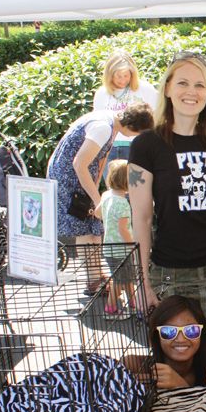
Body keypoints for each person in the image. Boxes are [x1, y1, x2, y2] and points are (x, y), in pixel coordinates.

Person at [129, 51, 206, 360]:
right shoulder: (146, 145)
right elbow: (141, 218)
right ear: (168, 88)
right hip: (170, 277)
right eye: (183, 82)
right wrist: (141, 280)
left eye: (201, 85)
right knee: (175, 369)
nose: (192, 92)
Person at [47, 103, 153, 294]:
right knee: (85, 229)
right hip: (68, 179)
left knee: (95, 228)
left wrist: (99, 188)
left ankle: (98, 273)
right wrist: (98, 201)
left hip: (82, 178)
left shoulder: (111, 122)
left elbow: (100, 158)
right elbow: (79, 164)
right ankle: (93, 280)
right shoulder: (103, 127)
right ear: (133, 127)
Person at [126, 295, 206, 388]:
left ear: (202, 333)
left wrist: (181, 387)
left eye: (191, 330)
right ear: (157, 335)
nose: (181, 339)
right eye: (169, 331)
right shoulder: (135, 366)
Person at [93, 50, 158, 166]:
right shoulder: (102, 93)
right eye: (118, 76)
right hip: (110, 149)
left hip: (136, 146)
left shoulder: (145, 89)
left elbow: (157, 116)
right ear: (110, 74)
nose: (122, 80)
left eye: (126, 75)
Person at [95, 159, 135, 319]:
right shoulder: (123, 204)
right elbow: (123, 228)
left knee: (126, 277)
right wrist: (132, 245)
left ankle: (134, 303)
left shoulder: (106, 195)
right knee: (119, 281)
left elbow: (97, 214)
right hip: (122, 249)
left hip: (109, 247)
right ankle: (110, 309)